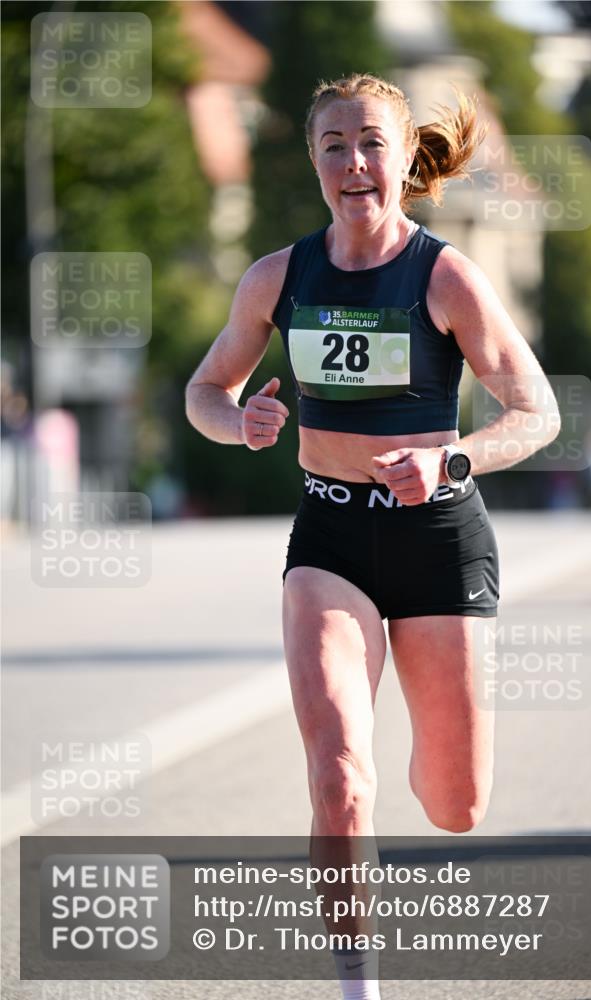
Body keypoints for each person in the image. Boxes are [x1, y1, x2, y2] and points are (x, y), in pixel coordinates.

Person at [185, 73, 560, 1000]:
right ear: (314, 162)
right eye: (333, 146)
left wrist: (453, 462)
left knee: (454, 804)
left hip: (436, 538)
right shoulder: (278, 276)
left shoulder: (444, 276)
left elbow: (536, 411)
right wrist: (238, 424)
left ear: (401, 158)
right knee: (341, 778)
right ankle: (358, 984)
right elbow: (204, 391)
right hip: (331, 541)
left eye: (370, 144)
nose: (353, 163)